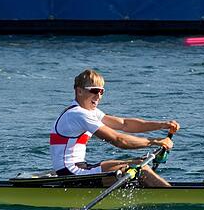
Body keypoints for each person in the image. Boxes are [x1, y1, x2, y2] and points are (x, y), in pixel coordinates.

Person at [50, 69, 179, 187]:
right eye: (94, 91)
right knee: (140, 168)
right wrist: (154, 141)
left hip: (80, 168)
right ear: (79, 91)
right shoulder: (78, 114)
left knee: (138, 162)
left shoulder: (89, 112)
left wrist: (162, 125)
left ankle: (164, 192)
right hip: (70, 174)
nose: (99, 96)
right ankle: (174, 197)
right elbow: (118, 140)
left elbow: (124, 124)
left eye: (101, 91)